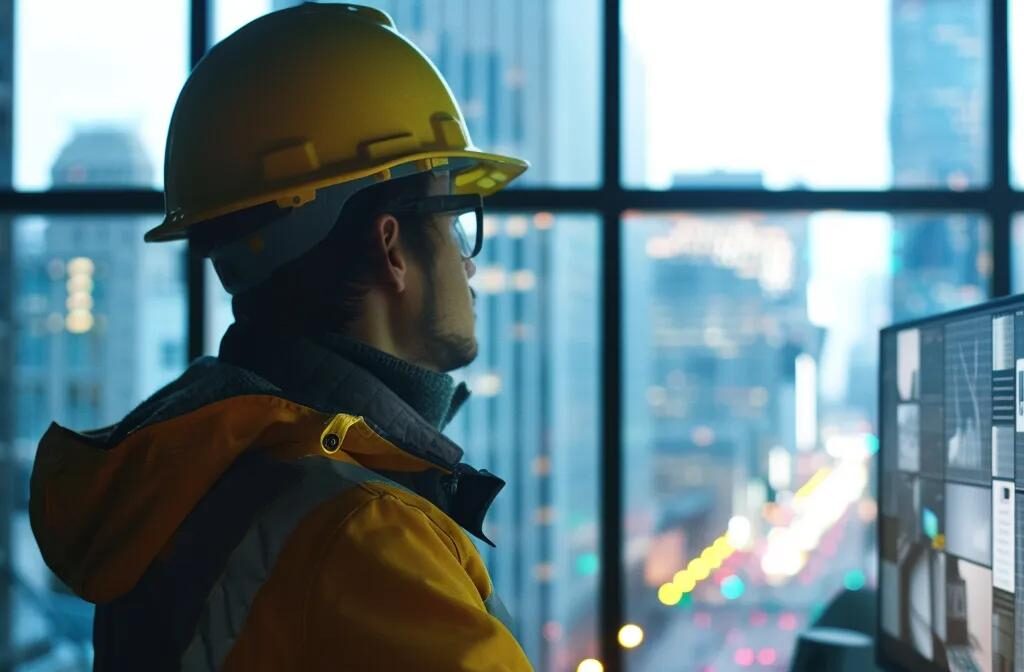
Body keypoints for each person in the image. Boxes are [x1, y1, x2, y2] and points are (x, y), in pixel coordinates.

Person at [28, 3, 534, 670]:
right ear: (392, 247)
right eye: (454, 221)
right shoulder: (366, 537)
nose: (469, 262)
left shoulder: (196, 478)